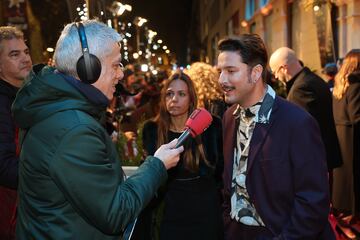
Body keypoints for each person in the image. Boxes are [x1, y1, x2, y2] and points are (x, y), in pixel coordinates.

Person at [11, 20, 183, 239]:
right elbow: (114, 213)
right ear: (88, 68)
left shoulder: (60, 112)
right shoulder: (74, 130)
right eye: (116, 65)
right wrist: (157, 166)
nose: (121, 74)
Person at [217, 34, 334, 239]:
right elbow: (229, 185)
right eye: (220, 71)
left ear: (256, 73)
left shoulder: (297, 123)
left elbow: (313, 201)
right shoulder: (228, 117)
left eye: (230, 71)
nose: (221, 80)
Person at [139, 71, 224, 240]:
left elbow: (220, 171)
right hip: (171, 212)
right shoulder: (152, 130)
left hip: (206, 211)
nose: (174, 99)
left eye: (181, 94)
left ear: (191, 98)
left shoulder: (211, 127)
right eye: (169, 94)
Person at [269, 47, 342, 173]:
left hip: (312, 163)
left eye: (275, 71)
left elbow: (303, 132)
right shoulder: (312, 79)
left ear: (284, 68)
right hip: (321, 158)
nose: (275, 76)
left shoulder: (301, 88)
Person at [0, 26, 32, 239]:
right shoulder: (2, 103)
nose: (25, 59)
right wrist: (48, 177)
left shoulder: (22, 96)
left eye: (26, 51)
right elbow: (4, 166)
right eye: (14, 54)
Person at [332, 49, 360, 222]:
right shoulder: (356, 83)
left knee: (345, 176)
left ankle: (343, 207)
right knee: (354, 176)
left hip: (342, 134)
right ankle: (354, 211)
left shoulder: (341, 83)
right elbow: (357, 115)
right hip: (353, 137)